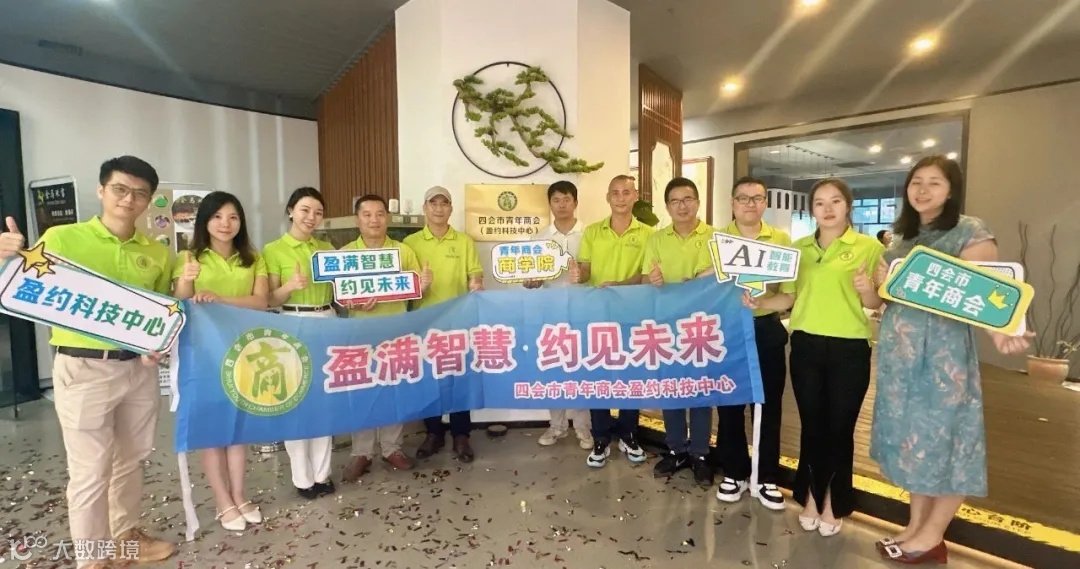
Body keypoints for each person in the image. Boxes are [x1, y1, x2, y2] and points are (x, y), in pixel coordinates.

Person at [0, 156, 177, 568]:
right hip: (83, 369)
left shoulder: (157, 252)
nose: (128, 199)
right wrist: (5, 256)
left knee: (131, 458)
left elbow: (162, 311)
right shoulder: (62, 239)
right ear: (101, 190)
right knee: (90, 471)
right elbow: (18, 283)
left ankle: (125, 535)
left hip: (138, 370)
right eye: (120, 189)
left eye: (139, 193)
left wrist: (157, 343)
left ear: (149, 200)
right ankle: (93, 558)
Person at [871, 156, 1032, 564]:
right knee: (915, 445)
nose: (923, 190)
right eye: (916, 182)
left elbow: (986, 297)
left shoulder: (970, 232)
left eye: (934, 182)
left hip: (944, 360)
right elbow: (885, 299)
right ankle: (915, 527)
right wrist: (874, 286)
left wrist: (1002, 332)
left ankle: (932, 535)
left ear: (951, 190)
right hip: (900, 361)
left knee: (950, 444)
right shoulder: (901, 238)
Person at [744, 177, 884, 537]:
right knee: (812, 425)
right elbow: (788, 298)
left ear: (848, 205)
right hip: (805, 345)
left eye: (835, 201)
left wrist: (868, 289)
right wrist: (760, 301)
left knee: (840, 428)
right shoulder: (799, 249)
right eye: (820, 203)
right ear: (812, 210)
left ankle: (834, 503)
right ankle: (808, 497)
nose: (828, 208)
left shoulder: (869, 247)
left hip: (850, 347)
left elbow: (876, 303)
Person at [172, 191, 269, 531]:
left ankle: (240, 495)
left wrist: (219, 299)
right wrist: (188, 280)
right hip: (203, 353)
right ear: (204, 221)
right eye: (217, 217)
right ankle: (222, 501)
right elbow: (179, 302)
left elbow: (261, 301)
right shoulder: (189, 256)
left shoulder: (253, 257)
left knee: (238, 426)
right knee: (213, 428)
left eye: (233, 217)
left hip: (244, 349)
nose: (225, 224)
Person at [714, 176, 794, 510]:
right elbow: (705, 287)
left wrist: (762, 302)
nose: (750, 204)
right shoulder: (718, 240)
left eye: (757, 198)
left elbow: (789, 295)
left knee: (768, 406)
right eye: (743, 198)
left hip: (766, 329)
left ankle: (766, 476)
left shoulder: (781, 240)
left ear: (765, 203)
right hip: (728, 332)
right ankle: (734, 472)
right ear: (732, 203)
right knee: (729, 404)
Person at [340, 195, 431, 481]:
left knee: (393, 393)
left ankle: (392, 448)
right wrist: (349, 301)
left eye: (380, 214)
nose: (374, 220)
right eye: (367, 214)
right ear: (357, 219)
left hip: (395, 333)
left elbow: (417, 291)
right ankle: (362, 452)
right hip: (360, 334)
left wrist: (423, 285)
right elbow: (337, 295)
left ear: (387, 218)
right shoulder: (345, 254)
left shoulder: (403, 251)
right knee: (362, 394)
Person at [573, 174, 654, 468]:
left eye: (626, 192)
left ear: (635, 196)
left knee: (631, 378)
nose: (620, 198)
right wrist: (579, 274)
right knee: (598, 378)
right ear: (608, 197)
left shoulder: (649, 234)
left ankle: (629, 435)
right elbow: (585, 269)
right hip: (597, 316)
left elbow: (646, 276)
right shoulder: (593, 232)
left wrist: (619, 286)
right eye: (615, 193)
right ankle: (601, 438)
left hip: (632, 317)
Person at [262, 186, 337, 499]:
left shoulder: (328, 249)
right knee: (295, 400)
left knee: (324, 401)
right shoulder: (273, 250)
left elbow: (342, 290)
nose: (311, 217)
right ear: (291, 211)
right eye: (305, 210)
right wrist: (290, 286)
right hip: (292, 321)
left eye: (318, 212)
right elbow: (268, 299)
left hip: (327, 319)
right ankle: (302, 478)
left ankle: (323, 474)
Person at [643, 177, 715, 486]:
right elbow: (647, 279)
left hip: (703, 327)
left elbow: (723, 276)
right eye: (675, 201)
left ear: (697, 202)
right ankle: (675, 450)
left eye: (688, 199)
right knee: (671, 390)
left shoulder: (715, 237)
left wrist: (699, 281)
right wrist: (653, 281)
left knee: (700, 392)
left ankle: (699, 453)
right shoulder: (657, 239)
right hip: (667, 327)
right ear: (667, 206)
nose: (682, 206)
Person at [405, 186, 484, 463]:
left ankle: (461, 435)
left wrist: (476, 284)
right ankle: (434, 433)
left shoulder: (464, 241)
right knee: (430, 382)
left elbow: (475, 274)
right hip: (425, 325)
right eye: (433, 203)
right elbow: (404, 286)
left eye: (444, 203)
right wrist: (420, 286)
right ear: (424, 208)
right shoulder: (410, 243)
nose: (439, 208)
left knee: (460, 381)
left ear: (451, 208)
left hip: (459, 324)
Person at [525, 181, 593, 450]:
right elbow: (534, 279)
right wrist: (531, 281)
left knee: (582, 371)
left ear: (575, 202)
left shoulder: (589, 235)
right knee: (554, 369)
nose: (562, 204)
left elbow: (594, 272)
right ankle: (557, 425)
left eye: (566, 199)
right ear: (550, 204)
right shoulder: (540, 238)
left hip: (583, 314)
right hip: (551, 315)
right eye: (556, 199)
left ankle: (583, 428)